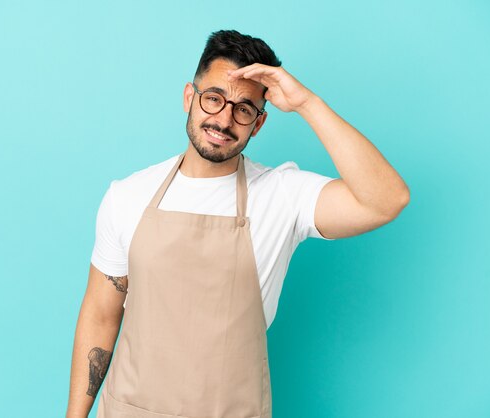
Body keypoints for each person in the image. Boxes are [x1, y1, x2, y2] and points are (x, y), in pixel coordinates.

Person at [66, 29, 410, 418]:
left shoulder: (283, 195)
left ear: (258, 124)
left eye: (243, 109)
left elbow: (386, 200)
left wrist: (306, 103)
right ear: (188, 99)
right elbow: (100, 313)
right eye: (213, 99)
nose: (224, 119)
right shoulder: (128, 195)